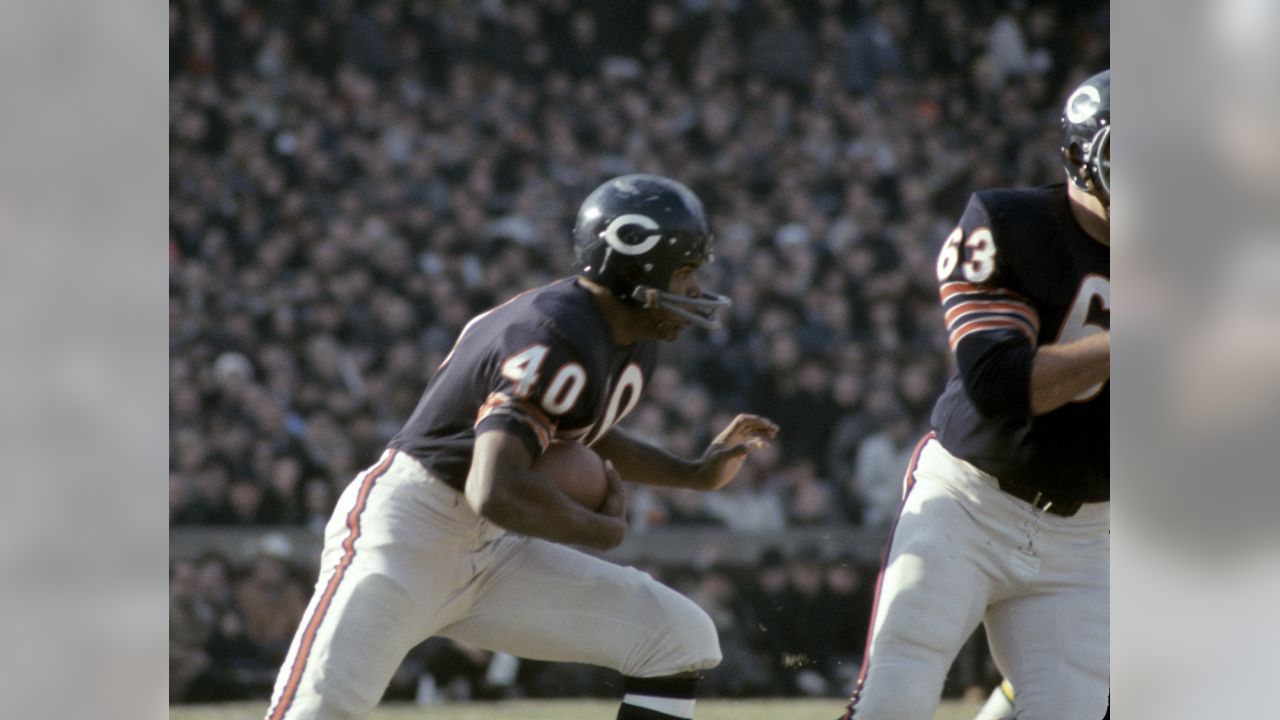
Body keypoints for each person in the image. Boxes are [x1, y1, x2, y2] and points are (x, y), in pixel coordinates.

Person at [264, 174, 779, 720]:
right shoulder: (553, 333)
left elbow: (580, 429)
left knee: (678, 637)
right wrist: (597, 530)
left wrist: (693, 473)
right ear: (637, 269)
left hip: (492, 546)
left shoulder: (620, 333)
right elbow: (493, 487)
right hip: (411, 531)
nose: (696, 287)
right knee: (314, 713)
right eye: (685, 270)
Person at [839, 70, 1110, 720]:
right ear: (1083, 155)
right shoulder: (1012, 224)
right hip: (969, 502)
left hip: (1090, 534)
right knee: (893, 700)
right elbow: (997, 384)